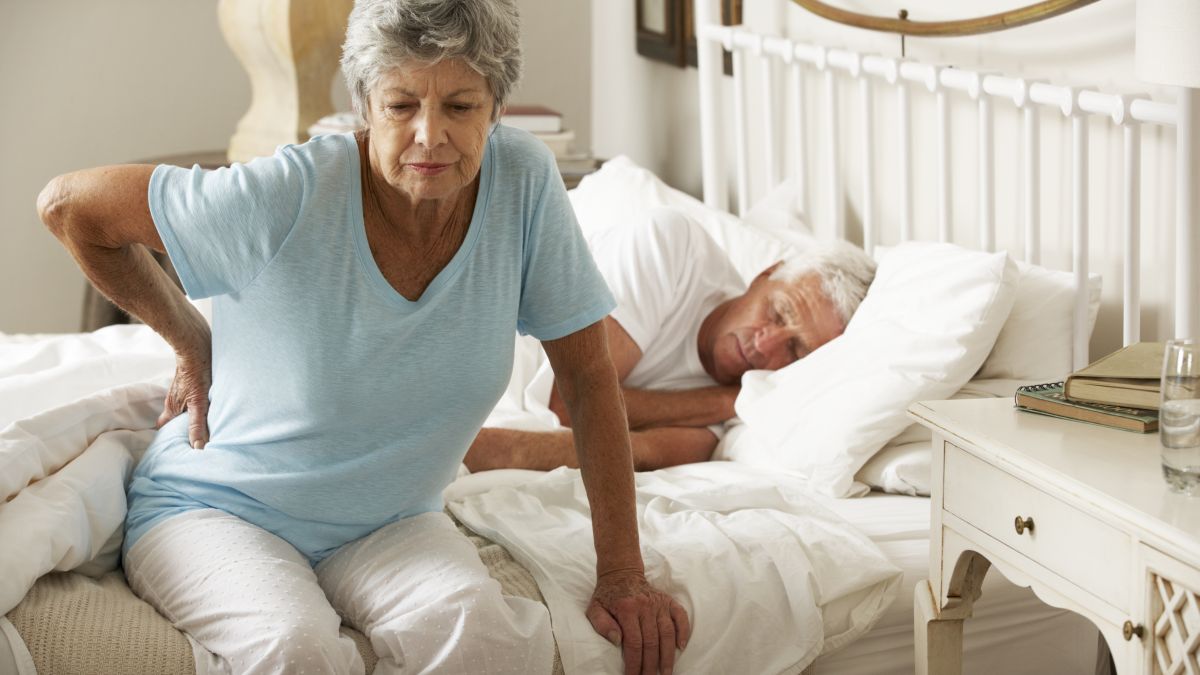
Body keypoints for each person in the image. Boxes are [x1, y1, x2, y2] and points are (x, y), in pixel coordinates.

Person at [37, 1, 689, 673]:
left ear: (497, 108)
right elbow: (68, 206)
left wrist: (624, 573)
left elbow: (586, 378)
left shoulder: (522, 183)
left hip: (392, 518)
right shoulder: (286, 191)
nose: (429, 136)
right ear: (364, 109)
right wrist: (186, 333)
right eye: (401, 105)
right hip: (216, 507)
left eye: (460, 107)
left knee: (483, 637)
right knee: (296, 648)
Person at [464, 208, 876, 473]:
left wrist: (494, 453)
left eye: (796, 350)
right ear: (765, 275)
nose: (764, 347)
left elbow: (635, 455)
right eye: (779, 313)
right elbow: (573, 400)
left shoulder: (762, 408)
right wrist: (724, 402)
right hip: (472, 335)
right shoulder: (675, 251)